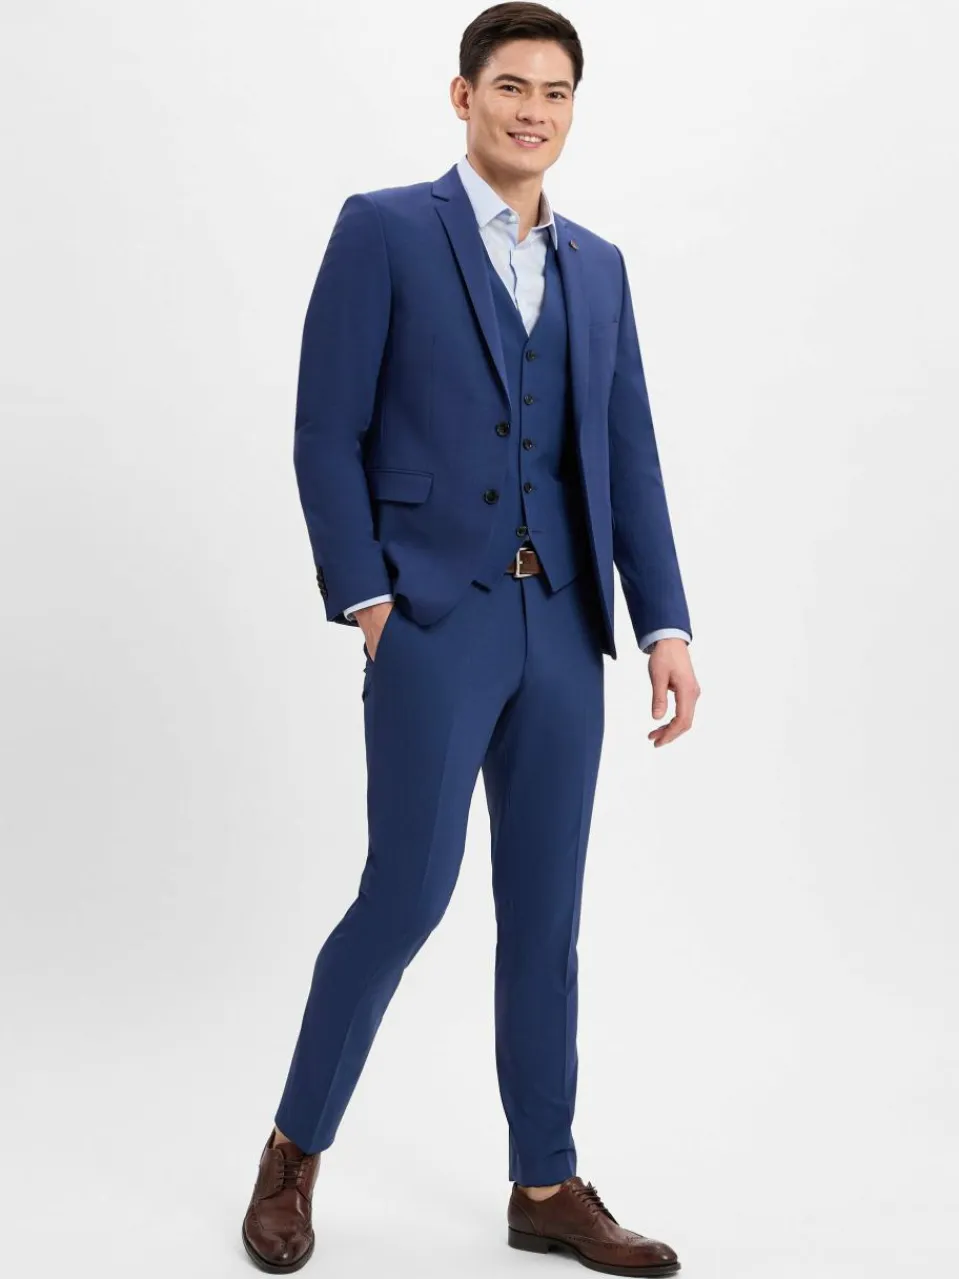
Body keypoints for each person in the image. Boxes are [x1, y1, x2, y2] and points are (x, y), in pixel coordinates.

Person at [241, 3, 700, 1272]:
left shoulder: (598, 266)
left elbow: (626, 454)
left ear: (571, 109)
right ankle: (291, 1151)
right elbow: (323, 429)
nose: (532, 111)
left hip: (563, 629)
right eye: (510, 86)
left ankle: (544, 1182)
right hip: (436, 620)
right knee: (405, 891)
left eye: (554, 92)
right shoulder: (385, 229)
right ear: (462, 96)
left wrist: (662, 622)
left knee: (544, 917)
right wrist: (368, 598)